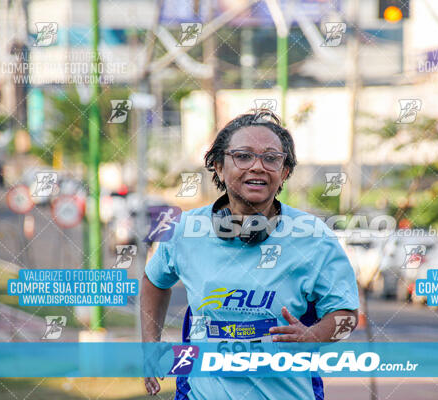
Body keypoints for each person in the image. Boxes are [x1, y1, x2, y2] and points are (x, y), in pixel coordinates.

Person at [141, 110, 360, 399]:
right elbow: (154, 280)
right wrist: (150, 345)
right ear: (218, 167)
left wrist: (314, 336)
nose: (258, 166)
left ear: (284, 172)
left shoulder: (313, 237)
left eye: (271, 158)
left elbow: (348, 316)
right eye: (243, 156)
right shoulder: (184, 231)